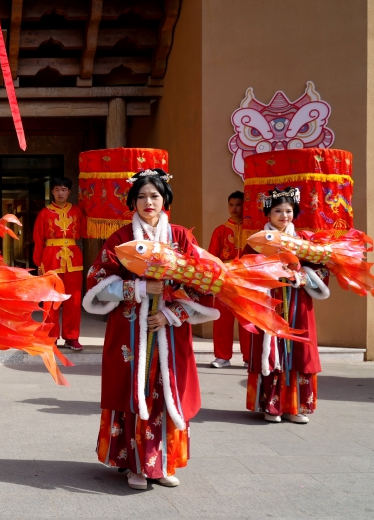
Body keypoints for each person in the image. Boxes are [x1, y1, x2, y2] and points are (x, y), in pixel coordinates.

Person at [82, 168, 219, 491]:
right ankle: (137, 465)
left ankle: (165, 461)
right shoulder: (120, 239)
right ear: (132, 201)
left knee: (167, 391)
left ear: (165, 200)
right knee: (134, 390)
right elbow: (97, 283)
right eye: (141, 196)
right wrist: (139, 291)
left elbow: (203, 285)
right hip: (130, 330)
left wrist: (171, 314)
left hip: (169, 331)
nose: (148, 202)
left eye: (154, 196)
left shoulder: (182, 238)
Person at [243, 187, 329, 424]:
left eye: (288, 211)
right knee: (272, 352)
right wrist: (270, 275)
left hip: (299, 303)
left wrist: (301, 277)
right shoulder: (257, 242)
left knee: (299, 350)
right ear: (268, 214)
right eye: (278, 211)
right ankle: (271, 405)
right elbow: (244, 271)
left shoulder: (304, 241)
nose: (284, 216)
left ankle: (295, 407)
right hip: (269, 304)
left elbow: (322, 269)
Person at [32, 177, 85, 351]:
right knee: (51, 300)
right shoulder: (44, 213)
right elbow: (38, 240)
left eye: (63, 190)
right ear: (52, 192)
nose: (60, 193)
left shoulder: (77, 211)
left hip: (73, 259)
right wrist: (39, 264)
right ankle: (51, 336)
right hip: (50, 258)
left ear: (69, 192)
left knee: (74, 300)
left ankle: (72, 337)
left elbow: (86, 231)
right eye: (57, 190)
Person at [207, 191, 245, 368]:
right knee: (222, 320)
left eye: (238, 205)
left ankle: (249, 357)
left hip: (247, 280)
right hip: (224, 279)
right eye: (231, 205)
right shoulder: (220, 230)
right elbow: (212, 258)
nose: (234, 208)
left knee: (248, 320)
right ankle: (222, 356)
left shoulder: (251, 230)